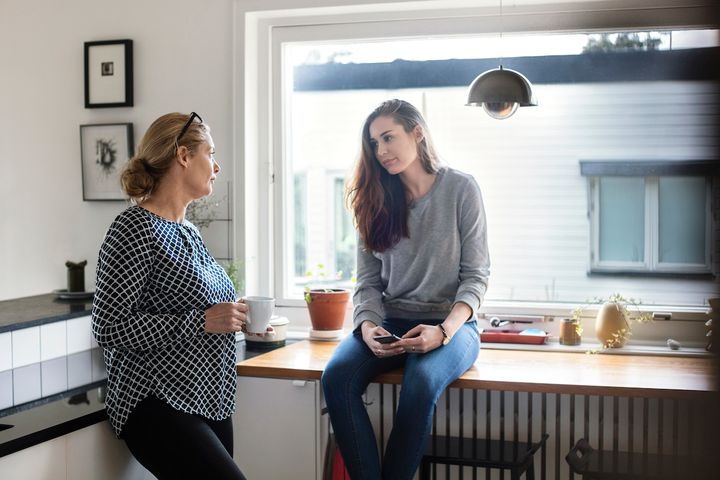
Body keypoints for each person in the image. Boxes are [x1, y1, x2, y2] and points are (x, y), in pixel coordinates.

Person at [322, 99, 490, 480]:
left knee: (421, 382)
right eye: (374, 143)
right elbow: (367, 283)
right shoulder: (374, 200)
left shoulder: (461, 189)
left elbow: (476, 276)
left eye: (388, 138)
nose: (380, 151)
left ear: (417, 133)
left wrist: (444, 330)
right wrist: (367, 327)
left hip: (452, 326)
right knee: (336, 378)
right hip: (390, 322)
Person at [92, 112, 262, 480]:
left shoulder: (188, 231)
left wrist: (232, 315)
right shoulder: (133, 228)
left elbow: (199, 307)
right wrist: (202, 320)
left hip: (207, 397)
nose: (216, 167)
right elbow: (108, 326)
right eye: (210, 153)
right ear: (183, 156)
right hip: (156, 401)